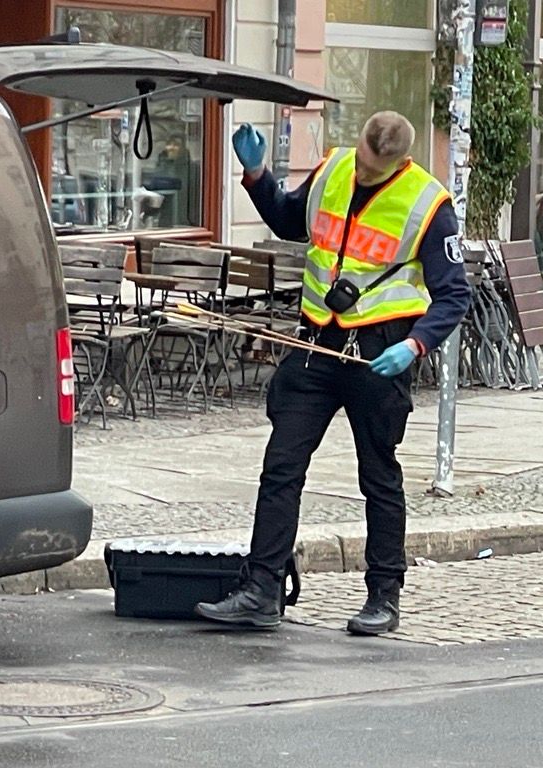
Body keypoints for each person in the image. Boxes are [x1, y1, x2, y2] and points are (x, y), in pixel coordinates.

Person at [194, 111, 470, 635]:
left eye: (374, 169)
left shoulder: (428, 203)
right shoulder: (334, 168)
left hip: (378, 350)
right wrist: (256, 176)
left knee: (379, 477)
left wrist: (414, 347)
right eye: (362, 162)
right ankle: (261, 590)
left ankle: (384, 597)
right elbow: (287, 221)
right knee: (281, 466)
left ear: (400, 161)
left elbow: (454, 294)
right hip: (316, 342)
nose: (363, 174)